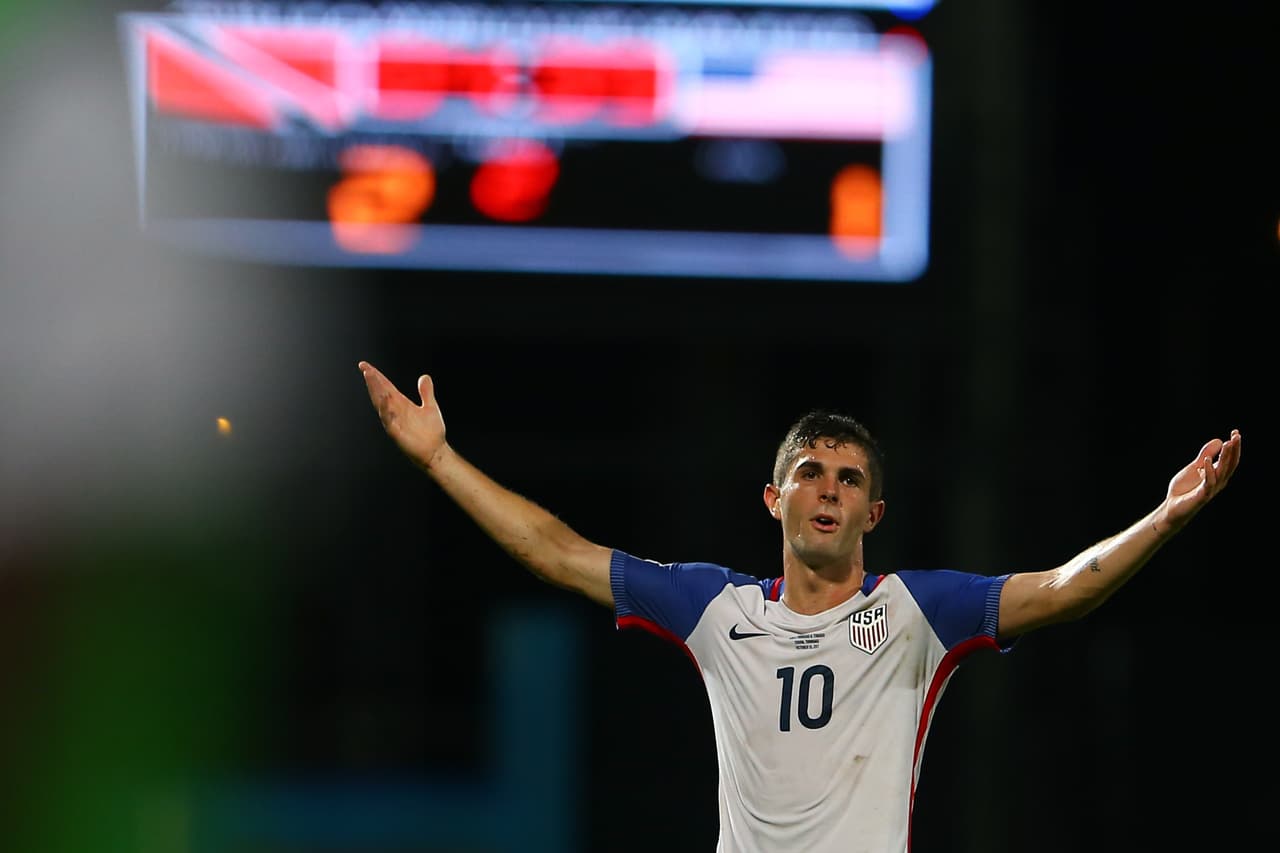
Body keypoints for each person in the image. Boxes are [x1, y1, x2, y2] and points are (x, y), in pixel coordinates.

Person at [357, 360, 1242, 853]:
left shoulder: (916, 614)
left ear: (873, 513)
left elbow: (1063, 587)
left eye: (849, 479)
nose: (828, 489)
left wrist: (1165, 516)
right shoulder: (715, 607)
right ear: (774, 499)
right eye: (809, 473)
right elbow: (556, 550)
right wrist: (440, 461)